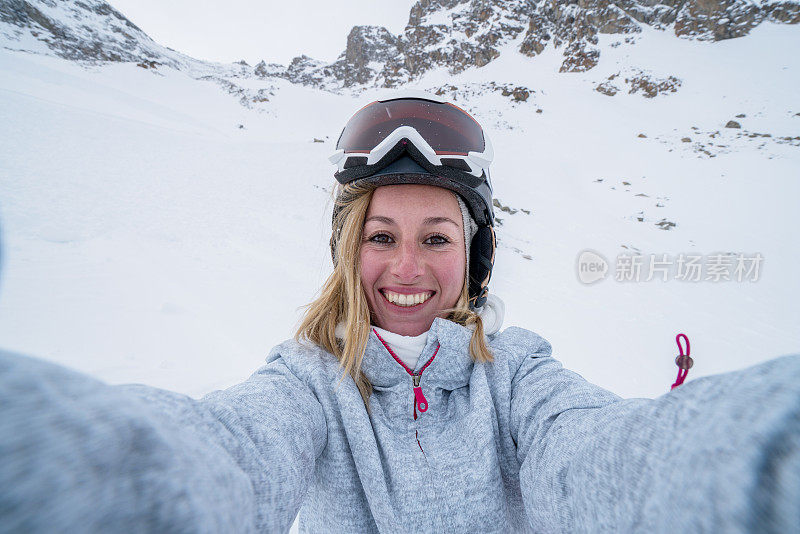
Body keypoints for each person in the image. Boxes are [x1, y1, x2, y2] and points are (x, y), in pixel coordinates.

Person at [1, 93, 799, 533]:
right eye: (382, 236)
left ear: (475, 257)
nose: (408, 269)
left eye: (437, 237)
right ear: (351, 251)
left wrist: (757, 464)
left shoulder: (518, 373)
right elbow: (227, 455)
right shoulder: (308, 383)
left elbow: (598, 453)